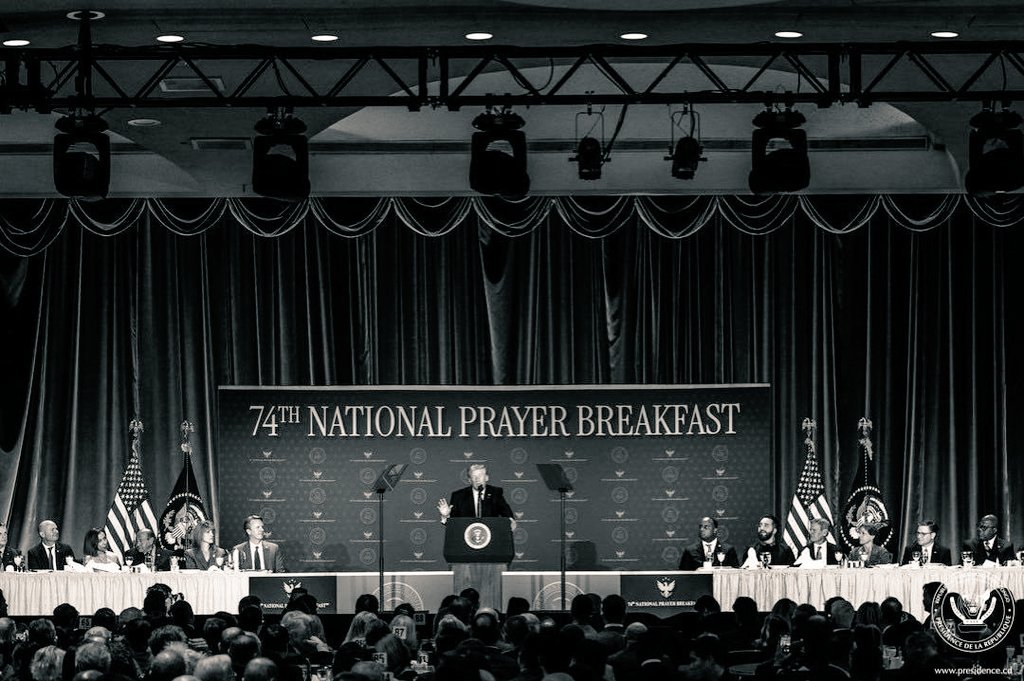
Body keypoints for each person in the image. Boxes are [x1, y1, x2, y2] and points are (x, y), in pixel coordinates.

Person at [436, 463, 513, 524]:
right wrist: (446, 515)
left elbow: (508, 516)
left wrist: (510, 522)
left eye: (480, 475)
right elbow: (453, 525)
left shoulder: (495, 493)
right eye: (474, 476)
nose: (477, 479)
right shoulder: (458, 496)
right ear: (470, 480)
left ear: (486, 478)